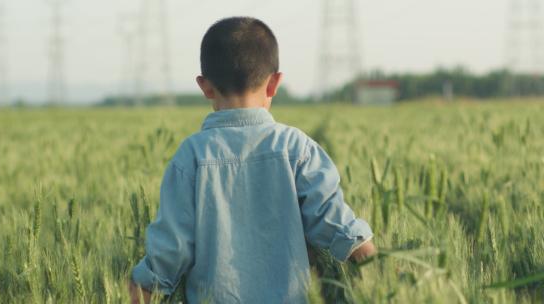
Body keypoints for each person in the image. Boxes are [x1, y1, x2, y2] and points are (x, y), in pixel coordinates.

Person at [129, 16, 376, 304]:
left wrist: (138, 291)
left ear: (205, 87)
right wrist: (384, 276)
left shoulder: (191, 156)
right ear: (274, 84)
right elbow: (337, 225)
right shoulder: (298, 148)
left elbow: (170, 251)